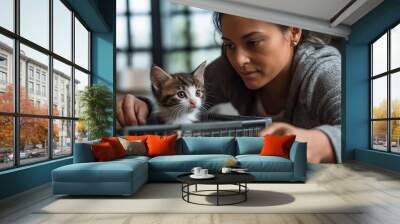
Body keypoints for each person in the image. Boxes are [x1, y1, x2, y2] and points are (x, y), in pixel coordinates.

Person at [116, 13, 341, 163]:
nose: (239, 59)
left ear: (294, 32)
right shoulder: (227, 69)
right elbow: (184, 100)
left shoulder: (324, 71)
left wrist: (322, 141)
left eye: (253, 42)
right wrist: (143, 107)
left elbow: (362, 133)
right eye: (229, 45)